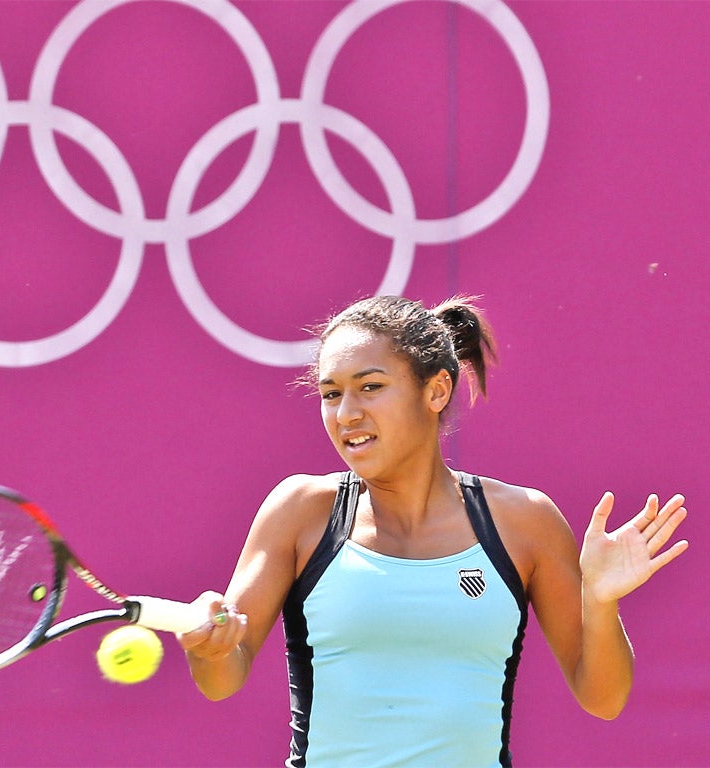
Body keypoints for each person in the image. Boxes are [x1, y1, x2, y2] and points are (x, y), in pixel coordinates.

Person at [177, 295, 689, 768]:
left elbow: (603, 698)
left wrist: (600, 602)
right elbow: (223, 678)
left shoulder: (524, 522)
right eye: (331, 394)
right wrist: (211, 647)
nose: (346, 413)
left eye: (370, 387)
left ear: (437, 390)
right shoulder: (300, 511)